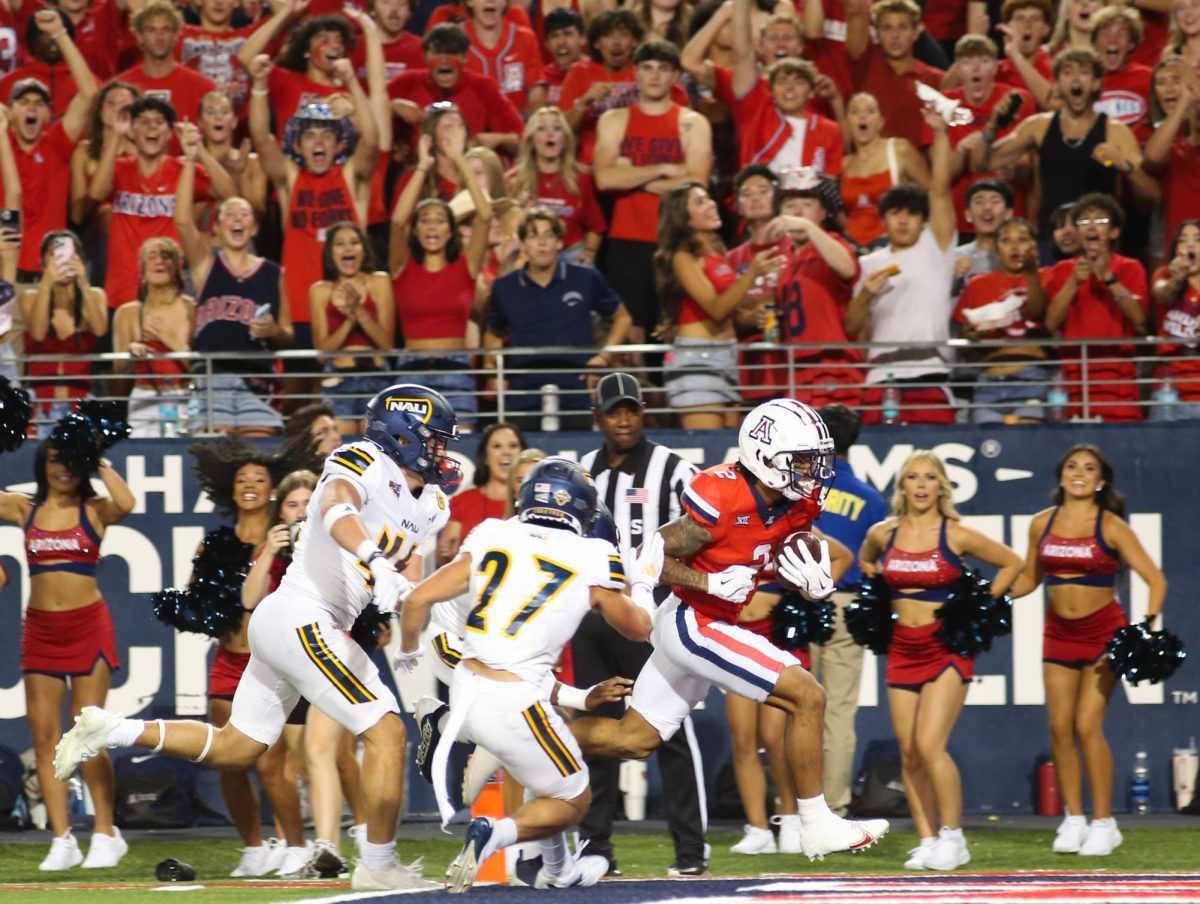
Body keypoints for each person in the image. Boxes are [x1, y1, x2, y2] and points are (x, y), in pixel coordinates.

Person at [54, 384, 463, 892]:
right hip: (304, 614)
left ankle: (112, 730)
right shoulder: (363, 458)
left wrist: (424, 633)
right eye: (434, 439)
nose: (442, 450)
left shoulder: (435, 504)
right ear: (402, 435)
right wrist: (375, 561)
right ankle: (377, 862)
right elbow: (338, 506)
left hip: (295, 624)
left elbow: (412, 586)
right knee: (386, 731)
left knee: (237, 747)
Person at [569, 398, 891, 860]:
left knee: (632, 740)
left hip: (707, 622)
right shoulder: (723, 494)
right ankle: (815, 823)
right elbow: (651, 557)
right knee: (808, 695)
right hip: (694, 620)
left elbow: (771, 550)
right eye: (801, 459)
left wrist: (806, 580)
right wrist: (709, 580)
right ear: (766, 457)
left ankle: (533, 732)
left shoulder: (793, 503)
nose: (812, 469)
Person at [399, 457, 654, 892]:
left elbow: (418, 599)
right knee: (574, 797)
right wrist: (644, 581)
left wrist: (407, 651)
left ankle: (556, 871)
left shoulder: (494, 532)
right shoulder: (591, 553)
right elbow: (639, 628)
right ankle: (495, 835)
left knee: (549, 773)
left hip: (466, 682)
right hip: (515, 699)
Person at [858, 450, 1022, 870]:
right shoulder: (884, 533)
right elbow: (865, 560)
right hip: (901, 649)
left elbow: (1012, 563)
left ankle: (954, 837)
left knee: (931, 746)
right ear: (903, 487)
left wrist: (983, 604)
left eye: (929, 478)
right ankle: (928, 839)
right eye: (913, 477)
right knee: (910, 752)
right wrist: (875, 589)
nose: (920, 485)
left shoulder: (957, 534)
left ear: (941, 487)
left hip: (946, 648)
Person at [574, 372, 709, 877]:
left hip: (654, 617)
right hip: (595, 615)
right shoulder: (581, 470)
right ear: (598, 417)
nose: (624, 419)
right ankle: (595, 850)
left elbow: (703, 533)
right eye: (614, 411)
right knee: (597, 732)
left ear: (643, 411)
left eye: (631, 409)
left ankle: (692, 853)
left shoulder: (675, 470)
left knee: (669, 732)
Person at [1011, 444, 1166, 856]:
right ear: (1061, 476)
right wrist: (995, 598)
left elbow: (1157, 580)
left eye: (1089, 468)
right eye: (1072, 466)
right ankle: (1074, 817)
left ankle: (1104, 822)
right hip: (1057, 633)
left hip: (1103, 634)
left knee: (1086, 726)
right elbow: (1030, 577)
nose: (1079, 473)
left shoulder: (1111, 526)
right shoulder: (1041, 524)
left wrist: (1145, 629)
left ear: (1101, 481)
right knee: (1059, 727)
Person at [0, 436, 133, 870]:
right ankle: (62, 838)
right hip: (40, 630)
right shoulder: (26, 508)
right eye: (55, 460)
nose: (63, 468)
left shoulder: (93, 510)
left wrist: (97, 459)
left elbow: (127, 502)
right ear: (43, 465)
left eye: (70, 461)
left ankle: (105, 831)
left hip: (88, 627)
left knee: (88, 732)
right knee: (43, 737)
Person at [189, 436, 310, 877]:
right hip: (228, 659)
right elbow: (197, 603)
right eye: (242, 479)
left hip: (270, 663)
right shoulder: (215, 544)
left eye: (259, 478)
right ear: (231, 489)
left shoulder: (292, 539)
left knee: (272, 764)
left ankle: (297, 845)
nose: (250, 485)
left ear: (273, 489)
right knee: (227, 760)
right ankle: (254, 847)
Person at [240, 468, 365, 876]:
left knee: (327, 752)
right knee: (304, 759)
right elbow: (249, 599)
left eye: (305, 505)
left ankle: (336, 842)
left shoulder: (335, 540)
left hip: (331, 651)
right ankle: (321, 845)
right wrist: (268, 553)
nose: (298, 513)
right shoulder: (273, 550)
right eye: (291, 505)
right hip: (291, 659)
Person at [248, 54, 378, 385]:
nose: (318, 142)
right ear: (298, 145)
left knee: (352, 406)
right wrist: (261, 86)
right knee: (300, 406)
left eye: (326, 136)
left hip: (348, 309)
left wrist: (352, 82)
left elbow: (372, 139)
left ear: (338, 145)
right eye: (310, 136)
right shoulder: (290, 179)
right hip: (300, 312)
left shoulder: (351, 176)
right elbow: (262, 138)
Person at [175, 125, 292, 436]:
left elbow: (288, 334)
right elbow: (183, 221)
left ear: (254, 228)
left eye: (244, 216)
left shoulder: (272, 272)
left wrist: (274, 331)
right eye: (230, 215)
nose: (237, 221)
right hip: (212, 377)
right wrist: (189, 159)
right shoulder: (206, 264)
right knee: (215, 452)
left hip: (257, 379)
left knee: (261, 451)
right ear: (218, 225)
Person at [593, 39, 712, 343]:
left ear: (674, 76)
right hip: (626, 238)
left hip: (675, 238)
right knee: (629, 326)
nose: (655, 76)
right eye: (647, 68)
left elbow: (697, 183)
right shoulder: (614, 120)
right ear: (636, 73)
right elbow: (605, 178)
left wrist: (631, 173)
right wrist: (664, 169)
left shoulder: (693, 123)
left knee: (672, 323)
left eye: (663, 69)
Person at [844, 108, 957, 425]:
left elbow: (940, 190)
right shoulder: (869, 264)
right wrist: (865, 295)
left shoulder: (936, 249)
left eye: (912, 213)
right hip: (880, 379)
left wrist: (939, 133)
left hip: (930, 374)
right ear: (883, 221)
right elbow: (852, 326)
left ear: (923, 221)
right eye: (895, 213)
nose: (904, 220)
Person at [484, 207, 631, 429]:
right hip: (522, 391)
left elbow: (623, 318)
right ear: (523, 244)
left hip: (576, 387)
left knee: (577, 455)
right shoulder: (505, 286)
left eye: (548, 235)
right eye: (533, 236)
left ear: (560, 243)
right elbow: (493, 332)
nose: (541, 243)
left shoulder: (585, 277)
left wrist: (603, 357)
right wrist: (493, 372)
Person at [810, 403, 888, 817]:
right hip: (847, 604)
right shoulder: (872, 500)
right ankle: (834, 808)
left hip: (800, 605)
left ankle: (796, 806)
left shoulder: (802, 489)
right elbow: (879, 563)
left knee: (792, 706)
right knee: (838, 711)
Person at [655, 181, 783, 428]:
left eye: (709, 199)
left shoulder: (717, 253)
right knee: (709, 454)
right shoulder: (682, 256)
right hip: (697, 362)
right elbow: (716, 309)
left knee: (730, 454)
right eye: (700, 201)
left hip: (728, 357)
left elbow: (732, 310)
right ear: (682, 216)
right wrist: (753, 272)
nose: (712, 204)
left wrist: (757, 308)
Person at [89, 95, 234, 312]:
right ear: (133, 131)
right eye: (144, 122)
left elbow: (229, 193)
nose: (152, 128)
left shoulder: (182, 170)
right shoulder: (120, 168)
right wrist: (116, 136)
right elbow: (97, 191)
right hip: (121, 292)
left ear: (168, 134)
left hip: (169, 294)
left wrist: (198, 150)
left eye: (159, 122)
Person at [391, 128, 492, 426]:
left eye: (439, 220)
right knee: (405, 461)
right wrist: (423, 166)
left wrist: (460, 159)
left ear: (450, 230)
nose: (432, 227)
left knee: (459, 461)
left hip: (456, 370)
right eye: (425, 221)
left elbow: (485, 216)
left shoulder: (465, 266)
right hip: (411, 373)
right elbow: (397, 222)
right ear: (416, 230)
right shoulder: (402, 266)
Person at [1042, 192, 1149, 422]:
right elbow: (1051, 324)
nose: (1091, 226)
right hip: (1075, 381)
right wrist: (1073, 282)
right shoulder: (1062, 270)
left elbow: (1139, 320)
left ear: (1114, 232)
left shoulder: (1131, 268)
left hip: (1119, 383)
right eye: (1083, 222)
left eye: (1100, 221)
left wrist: (1110, 280)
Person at [9, 10, 98, 284]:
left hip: (52, 274)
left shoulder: (56, 144)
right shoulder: (3, 144)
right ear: (10, 112)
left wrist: (61, 34)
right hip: (6, 272)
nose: (31, 108)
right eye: (24, 103)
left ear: (49, 114)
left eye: (39, 103)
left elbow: (89, 93)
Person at [951, 216, 1053, 423]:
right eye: (1006, 240)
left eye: (1022, 239)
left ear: (1035, 245)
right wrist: (967, 335)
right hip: (988, 379)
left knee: (1030, 443)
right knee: (987, 450)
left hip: (1032, 377)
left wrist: (1032, 273)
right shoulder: (978, 284)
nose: (1014, 246)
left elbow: (1037, 312)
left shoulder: (1049, 276)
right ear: (997, 250)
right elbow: (963, 346)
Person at [387, 24, 525, 157]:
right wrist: (392, 107)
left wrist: (494, 139)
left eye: (452, 52)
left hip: (467, 173)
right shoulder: (406, 82)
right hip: (416, 172)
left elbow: (522, 139)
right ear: (425, 57)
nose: (445, 60)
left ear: (465, 57)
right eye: (437, 52)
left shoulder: (484, 87)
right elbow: (367, 121)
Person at [19, 231, 108, 434]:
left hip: (80, 403)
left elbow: (100, 328)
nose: (62, 260)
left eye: (70, 253)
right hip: (39, 404)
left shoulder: (94, 295)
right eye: (54, 253)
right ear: (42, 262)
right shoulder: (30, 297)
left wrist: (83, 282)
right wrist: (47, 283)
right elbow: (39, 333)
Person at [310, 222, 395, 432]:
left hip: (376, 378)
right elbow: (322, 353)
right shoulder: (320, 291)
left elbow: (386, 343)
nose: (348, 248)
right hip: (338, 382)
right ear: (330, 253)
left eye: (354, 243)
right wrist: (349, 320)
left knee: (377, 455)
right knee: (344, 458)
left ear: (364, 250)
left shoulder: (380, 281)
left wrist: (359, 310)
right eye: (340, 244)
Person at [111, 237, 196, 437]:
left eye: (166, 256)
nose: (159, 261)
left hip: (184, 398)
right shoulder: (127, 313)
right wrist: (130, 354)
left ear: (177, 267)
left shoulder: (192, 309)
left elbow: (200, 368)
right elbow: (116, 374)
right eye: (152, 256)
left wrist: (171, 340)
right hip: (144, 399)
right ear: (142, 268)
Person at [508, 106, 606, 265]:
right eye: (541, 129)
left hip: (571, 257)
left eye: (557, 128)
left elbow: (596, 227)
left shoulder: (581, 178)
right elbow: (506, 228)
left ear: (565, 140)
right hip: (528, 257)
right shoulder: (515, 180)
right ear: (531, 140)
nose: (550, 133)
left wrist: (589, 253)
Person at [845, 0, 944, 148]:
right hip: (872, 162)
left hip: (918, 166)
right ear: (877, 33)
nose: (895, 35)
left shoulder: (935, 79)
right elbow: (856, 11)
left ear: (916, 32)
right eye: (887, 28)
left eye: (902, 27)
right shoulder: (865, 64)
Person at [839, 92, 929, 249]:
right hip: (852, 248)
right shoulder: (844, 164)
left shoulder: (899, 150)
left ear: (881, 122)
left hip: (894, 244)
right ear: (847, 123)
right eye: (855, 111)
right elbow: (839, 211)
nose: (862, 116)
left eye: (870, 111)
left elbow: (932, 195)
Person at [437, 421, 525, 566]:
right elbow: (444, 559)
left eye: (513, 446)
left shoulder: (531, 502)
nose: (506, 452)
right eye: (497, 446)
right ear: (485, 457)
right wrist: (445, 555)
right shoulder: (463, 501)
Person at [116, 0, 218, 123]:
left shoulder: (204, 89)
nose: (159, 37)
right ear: (139, 37)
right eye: (151, 30)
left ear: (176, 36)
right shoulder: (120, 89)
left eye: (166, 30)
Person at [1151, 219, 1200, 420]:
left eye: (1197, 240)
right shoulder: (1164, 275)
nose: (1190, 245)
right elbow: (1162, 295)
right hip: (1168, 393)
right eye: (1183, 240)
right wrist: (1177, 279)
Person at [463, 0, 546, 115]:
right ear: (469, 2)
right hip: (469, 127)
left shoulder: (525, 39)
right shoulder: (455, 42)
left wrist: (519, 124)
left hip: (518, 126)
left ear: (505, 3)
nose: (489, 1)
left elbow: (537, 94)